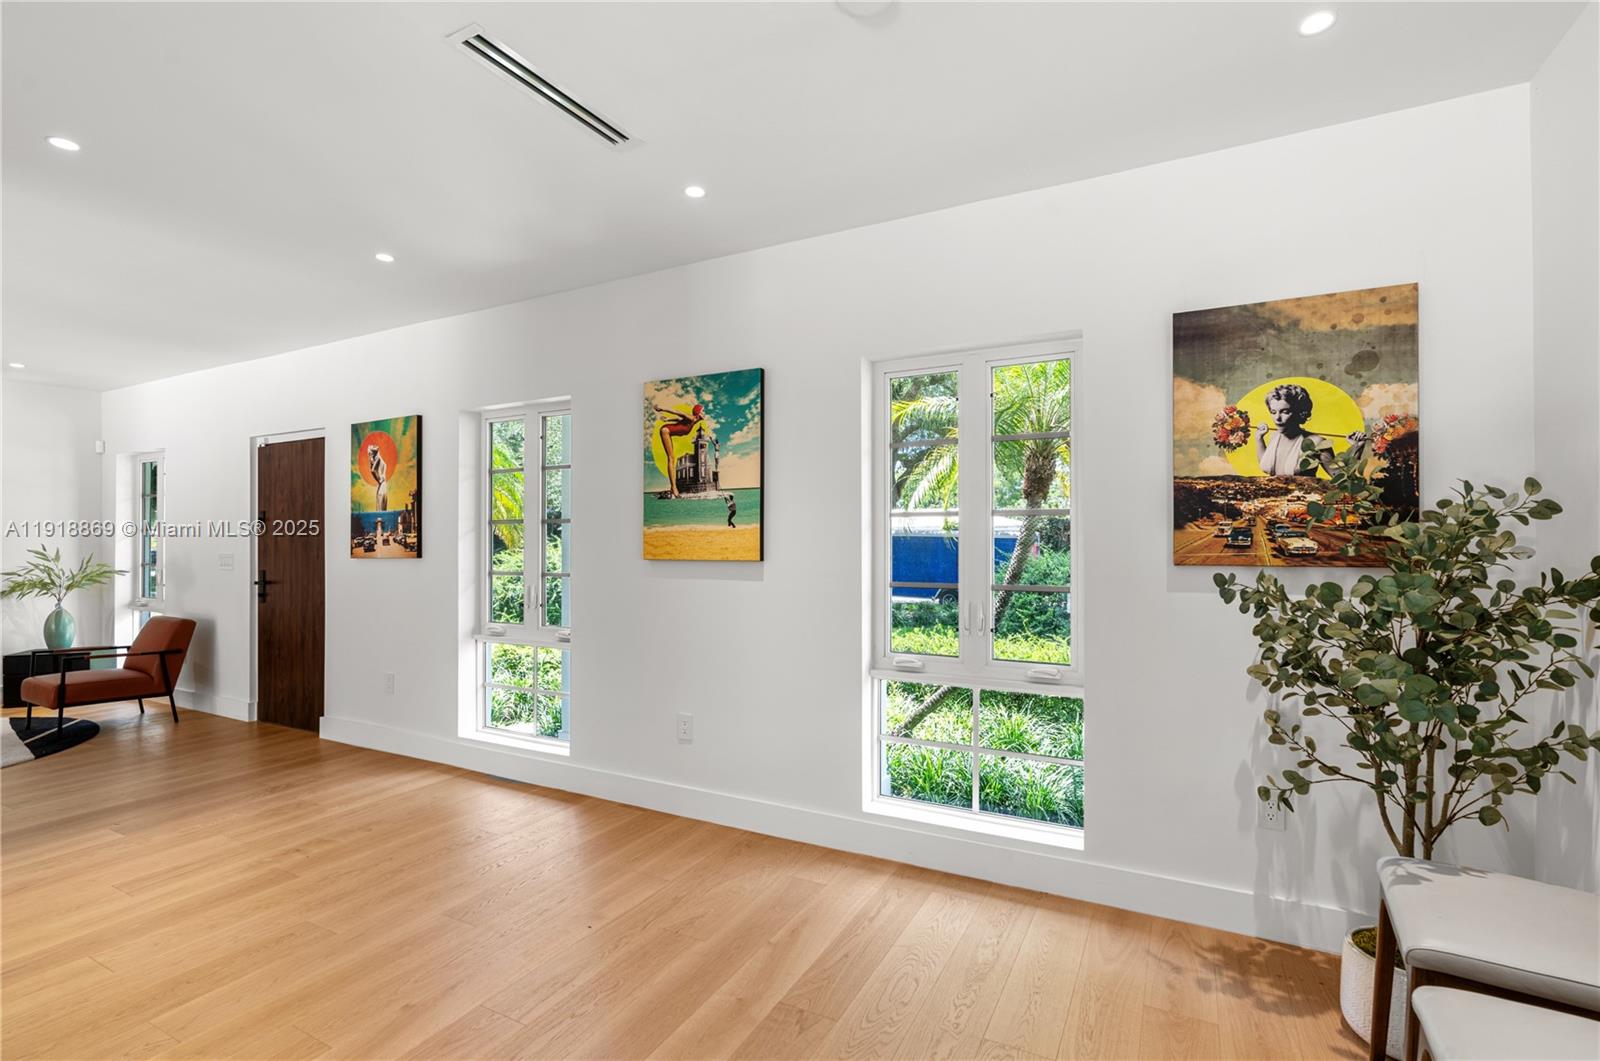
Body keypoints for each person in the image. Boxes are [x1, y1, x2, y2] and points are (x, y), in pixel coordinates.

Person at [1254, 384, 1366, 477]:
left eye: (1285, 412)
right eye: (1273, 412)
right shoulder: (1274, 436)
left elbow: (1341, 478)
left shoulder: (1317, 442)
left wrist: (1356, 449)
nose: (1277, 418)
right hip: (1269, 501)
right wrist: (1259, 439)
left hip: (1302, 500)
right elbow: (1267, 465)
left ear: (1300, 412)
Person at [653, 402, 704, 497]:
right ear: (698, 413)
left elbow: (678, 419)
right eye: (702, 411)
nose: (704, 413)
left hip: (667, 431)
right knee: (671, 458)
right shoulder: (691, 418)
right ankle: (674, 488)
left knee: (672, 458)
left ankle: (673, 488)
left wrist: (668, 419)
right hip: (665, 431)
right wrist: (662, 408)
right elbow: (678, 412)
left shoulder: (694, 421)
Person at [368, 443, 389, 510]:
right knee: (381, 506)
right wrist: (379, 480)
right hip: (382, 484)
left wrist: (379, 480)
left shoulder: (378, 458)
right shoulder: (378, 458)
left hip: (382, 485)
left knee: (381, 505)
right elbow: (373, 470)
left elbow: (373, 470)